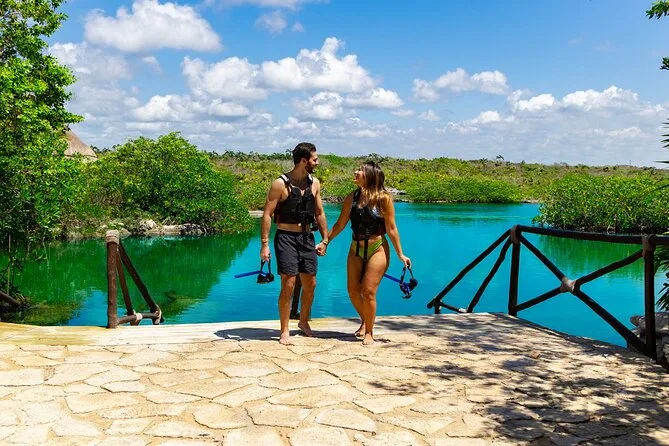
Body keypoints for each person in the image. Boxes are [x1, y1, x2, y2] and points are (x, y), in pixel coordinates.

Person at [319, 161, 410, 345]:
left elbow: (391, 228)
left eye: (360, 170)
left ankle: (369, 331)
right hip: (356, 247)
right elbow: (340, 224)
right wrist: (326, 241)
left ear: (369, 176)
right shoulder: (352, 198)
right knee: (353, 291)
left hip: (378, 248)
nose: (356, 172)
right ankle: (365, 319)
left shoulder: (383, 198)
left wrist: (401, 254)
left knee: (368, 292)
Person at [260, 142, 329, 345]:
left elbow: (319, 213)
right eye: (315, 159)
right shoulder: (280, 184)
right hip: (286, 238)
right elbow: (267, 214)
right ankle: (284, 330)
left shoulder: (314, 183)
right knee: (288, 283)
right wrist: (264, 244)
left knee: (311, 283)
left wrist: (325, 239)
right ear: (303, 160)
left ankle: (303, 321)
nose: (317, 162)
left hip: (307, 238)